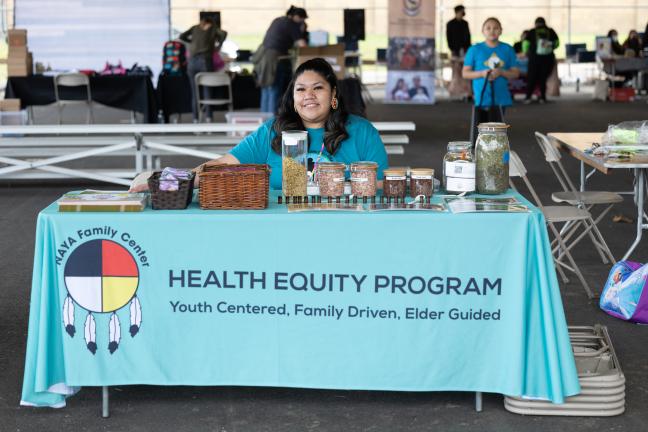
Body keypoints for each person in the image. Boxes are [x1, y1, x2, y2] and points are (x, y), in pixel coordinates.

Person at [131, 58, 388, 192]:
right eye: (301, 89)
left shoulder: (362, 132)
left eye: (318, 88)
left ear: (333, 96)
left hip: (344, 229)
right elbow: (223, 165)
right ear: (293, 97)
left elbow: (380, 184)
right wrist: (172, 182)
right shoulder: (273, 131)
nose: (308, 95)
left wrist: (331, 190)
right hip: (281, 231)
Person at [463, 17, 519, 139]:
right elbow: (465, 73)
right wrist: (482, 74)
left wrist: (501, 72)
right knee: (481, 134)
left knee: (498, 134)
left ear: (501, 31)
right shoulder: (474, 49)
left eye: (496, 28)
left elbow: (515, 73)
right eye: (488, 28)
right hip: (482, 97)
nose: (492, 31)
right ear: (483, 31)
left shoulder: (507, 49)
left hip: (501, 98)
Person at [253, 6, 308, 114]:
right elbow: (302, 45)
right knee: (274, 89)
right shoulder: (291, 24)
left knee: (266, 88)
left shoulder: (278, 20)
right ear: (296, 16)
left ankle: (264, 119)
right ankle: (271, 121)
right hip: (275, 59)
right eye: (302, 19)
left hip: (264, 57)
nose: (302, 21)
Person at [179, 16, 228, 122]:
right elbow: (224, 34)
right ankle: (208, 118)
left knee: (194, 92)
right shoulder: (213, 28)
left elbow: (182, 36)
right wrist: (218, 45)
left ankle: (195, 119)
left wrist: (191, 41)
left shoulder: (195, 28)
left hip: (191, 61)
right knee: (207, 90)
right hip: (205, 60)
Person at [522, 17, 559, 104]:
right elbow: (557, 43)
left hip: (534, 59)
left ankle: (528, 97)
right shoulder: (551, 31)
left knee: (532, 77)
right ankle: (542, 97)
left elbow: (525, 44)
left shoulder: (532, 32)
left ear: (536, 23)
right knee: (543, 78)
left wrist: (526, 53)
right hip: (548, 59)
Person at [446, 5, 472, 100]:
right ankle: (456, 92)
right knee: (456, 72)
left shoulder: (465, 23)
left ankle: (467, 92)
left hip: (465, 51)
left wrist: (468, 49)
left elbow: (468, 37)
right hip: (455, 51)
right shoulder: (450, 24)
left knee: (466, 71)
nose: (463, 13)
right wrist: (453, 49)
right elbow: (449, 38)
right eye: (462, 11)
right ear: (457, 12)